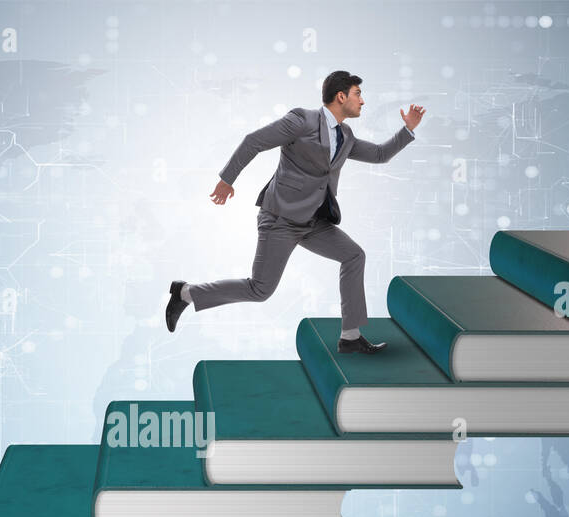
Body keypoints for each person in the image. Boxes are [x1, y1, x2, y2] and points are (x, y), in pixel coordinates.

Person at [165, 70, 424, 354]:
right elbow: (254, 141)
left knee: (354, 255)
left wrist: (408, 129)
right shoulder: (301, 120)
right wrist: (227, 180)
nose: (362, 101)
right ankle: (185, 293)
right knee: (260, 290)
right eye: (358, 94)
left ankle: (350, 336)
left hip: (313, 222)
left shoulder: (346, 135)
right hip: (280, 219)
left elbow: (379, 155)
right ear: (341, 96)